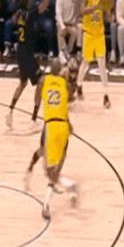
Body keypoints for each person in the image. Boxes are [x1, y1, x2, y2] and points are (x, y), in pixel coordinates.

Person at [31, 59, 78, 219]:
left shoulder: (44, 80)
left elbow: (37, 98)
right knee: (57, 166)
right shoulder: (64, 83)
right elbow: (71, 98)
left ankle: (48, 202)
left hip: (51, 126)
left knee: (50, 170)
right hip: (63, 125)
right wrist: (68, 80)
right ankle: (68, 186)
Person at [5, 0, 42, 129]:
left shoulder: (19, 14)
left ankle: (10, 111)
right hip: (26, 52)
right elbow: (41, 8)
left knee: (23, 83)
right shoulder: (29, 14)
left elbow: (15, 20)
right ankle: (34, 119)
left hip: (20, 50)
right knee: (41, 82)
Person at [76, 0, 112, 109]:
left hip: (99, 35)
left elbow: (110, 19)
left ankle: (106, 95)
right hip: (88, 34)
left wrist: (108, 8)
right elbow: (82, 12)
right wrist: (96, 7)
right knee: (85, 63)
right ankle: (79, 85)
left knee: (102, 65)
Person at [56, 0, 79, 64]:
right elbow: (58, 14)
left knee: (75, 33)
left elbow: (76, 9)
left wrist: (74, 22)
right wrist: (62, 26)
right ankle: (61, 52)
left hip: (70, 22)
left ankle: (68, 51)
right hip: (61, 22)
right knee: (60, 31)